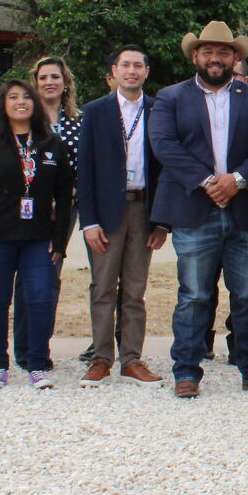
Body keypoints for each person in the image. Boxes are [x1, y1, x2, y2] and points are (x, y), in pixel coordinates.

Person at [150, 21, 248, 398]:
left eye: (222, 52)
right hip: (194, 211)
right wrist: (209, 182)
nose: (215, 58)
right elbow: (164, 145)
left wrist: (236, 180)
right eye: (207, 52)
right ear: (195, 56)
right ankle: (186, 370)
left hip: (245, 211)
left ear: (235, 57)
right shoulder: (170, 97)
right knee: (194, 295)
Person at [0, 79, 76, 389]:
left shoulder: (51, 143)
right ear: (3, 104)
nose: (21, 102)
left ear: (36, 104)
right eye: (13, 97)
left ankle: (36, 364)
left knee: (39, 299)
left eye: (27, 96)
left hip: (37, 237)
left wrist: (60, 240)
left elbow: (65, 195)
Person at [77, 46, 168, 384]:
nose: (132, 70)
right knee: (102, 287)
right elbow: (84, 170)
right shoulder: (96, 111)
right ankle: (101, 358)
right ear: (113, 71)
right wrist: (88, 221)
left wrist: (162, 221)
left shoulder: (159, 110)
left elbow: (165, 168)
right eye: (125, 65)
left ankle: (132, 359)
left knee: (135, 288)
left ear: (146, 71)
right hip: (105, 211)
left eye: (138, 65)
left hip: (144, 209)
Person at [12, 55, 83, 365]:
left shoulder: (79, 121)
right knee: (26, 275)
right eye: (43, 77)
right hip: (29, 208)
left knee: (50, 274)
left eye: (55, 76)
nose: (50, 82)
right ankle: (24, 348)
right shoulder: (24, 119)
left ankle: (41, 346)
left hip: (65, 208)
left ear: (65, 82)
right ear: (35, 82)